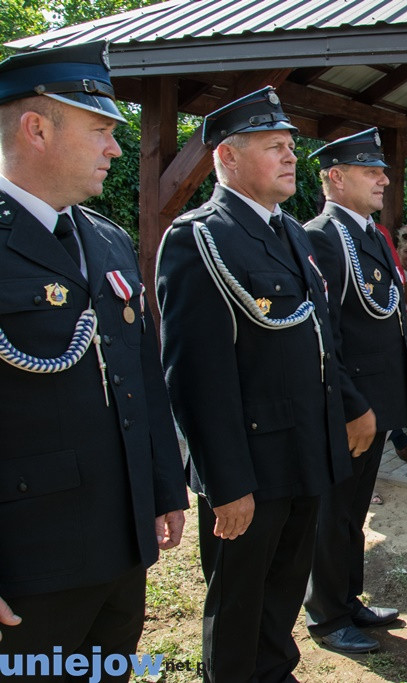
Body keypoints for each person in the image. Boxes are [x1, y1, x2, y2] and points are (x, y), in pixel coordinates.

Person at [0, 40, 188, 663]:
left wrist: (165, 487)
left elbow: (142, 375)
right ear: (36, 129)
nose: (115, 147)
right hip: (31, 558)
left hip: (122, 542)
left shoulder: (104, 238)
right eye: (101, 130)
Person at [157, 86, 349, 680]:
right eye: (275, 147)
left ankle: (274, 668)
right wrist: (226, 481)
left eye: (291, 146)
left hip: (302, 450)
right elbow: (195, 375)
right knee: (238, 598)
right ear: (228, 158)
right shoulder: (200, 238)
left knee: (286, 583)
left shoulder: (290, 232)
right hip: (250, 462)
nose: (292, 157)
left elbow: (315, 340)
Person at [302, 128, 407, 655]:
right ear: (336, 178)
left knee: (356, 508)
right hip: (350, 407)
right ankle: (326, 615)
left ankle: (348, 598)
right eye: (372, 171)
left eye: (382, 170)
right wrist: (352, 407)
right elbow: (325, 334)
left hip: (376, 400)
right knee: (334, 510)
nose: (384, 179)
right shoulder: (321, 235)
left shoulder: (367, 233)